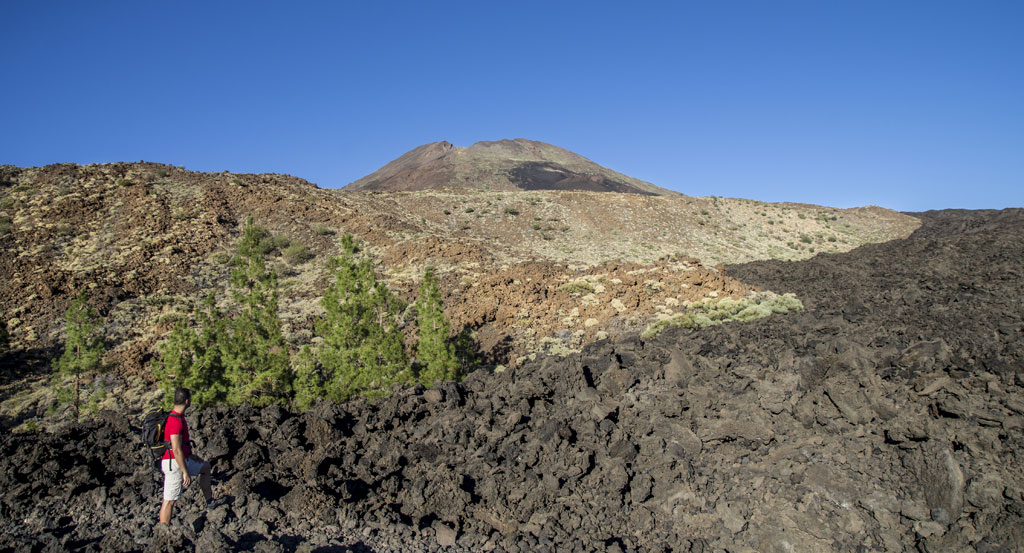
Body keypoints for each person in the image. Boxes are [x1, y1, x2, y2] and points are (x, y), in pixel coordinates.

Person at [158, 387, 223, 524]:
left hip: (182, 460)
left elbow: (181, 446)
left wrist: (190, 456)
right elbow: (176, 449)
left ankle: (210, 502)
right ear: (187, 401)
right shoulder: (175, 421)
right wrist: (185, 472)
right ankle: (163, 530)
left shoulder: (178, 417)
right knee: (169, 501)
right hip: (174, 463)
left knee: (205, 467)